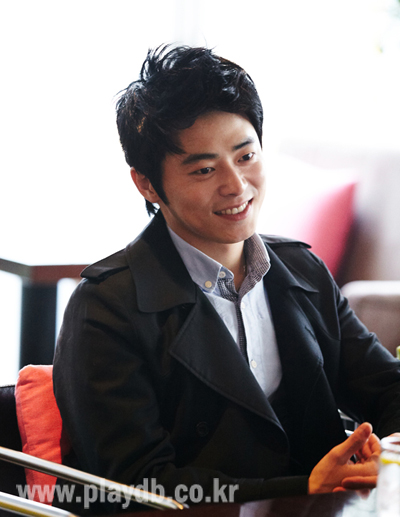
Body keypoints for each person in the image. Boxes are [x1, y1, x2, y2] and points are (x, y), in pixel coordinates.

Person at [53, 45, 400, 512]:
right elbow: (135, 486)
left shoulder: (302, 271)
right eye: (204, 169)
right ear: (147, 184)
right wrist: (300, 487)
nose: (236, 186)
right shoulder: (106, 307)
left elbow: (387, 388)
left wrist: (386, 453)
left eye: (246, 155)